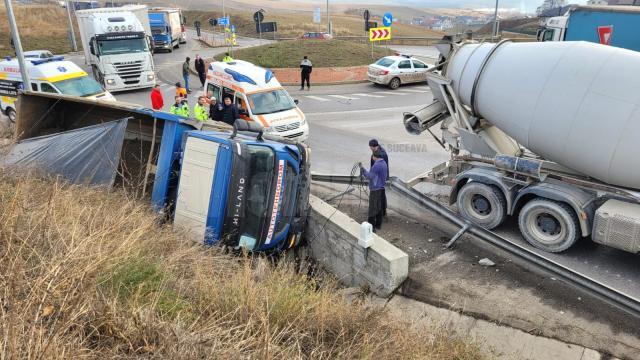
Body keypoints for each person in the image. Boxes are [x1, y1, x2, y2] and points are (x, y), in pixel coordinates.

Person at [360, 150, 389, 231]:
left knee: (372, 208)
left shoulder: (376, 165)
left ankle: (371, 227)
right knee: (379, 207)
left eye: (372, 156)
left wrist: (363, 170)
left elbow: (370, 176)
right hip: (381, 188)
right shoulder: (384, 163)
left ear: (374, 157)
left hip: (375, 189)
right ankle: (378, 225)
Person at [369, 139, 389, 217]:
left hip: (379, 179)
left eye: (371, 147)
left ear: (374, 146)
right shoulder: (377, 150)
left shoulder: (381, 154)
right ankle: (381, 212)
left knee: (380, 196)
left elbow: (382, 168)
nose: (370, 149)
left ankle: (382, 212)